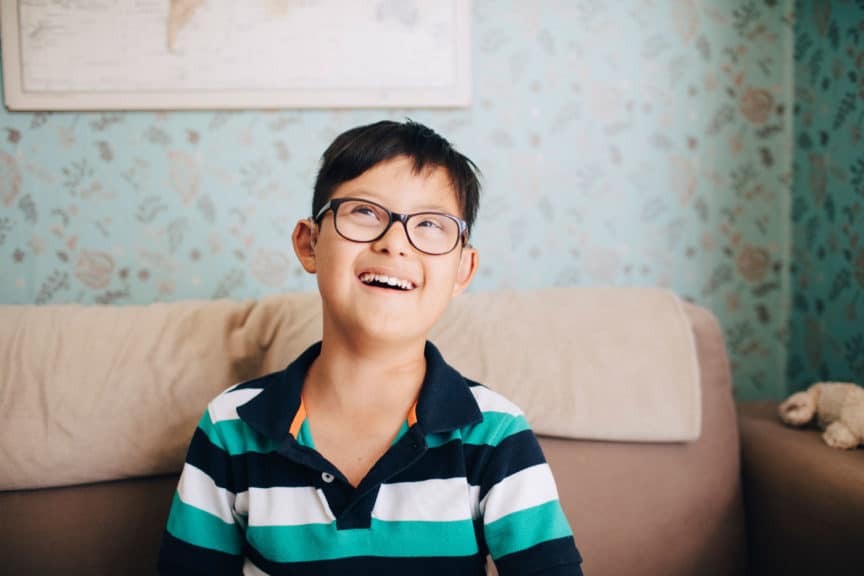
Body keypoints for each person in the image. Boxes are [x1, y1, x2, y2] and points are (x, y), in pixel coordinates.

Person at [157, 120, 584, 575]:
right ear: (309, 243)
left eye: (430, 224)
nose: (395, 243)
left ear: (463, 269)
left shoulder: (495, 434)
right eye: (364, 212)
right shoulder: (231, 425)